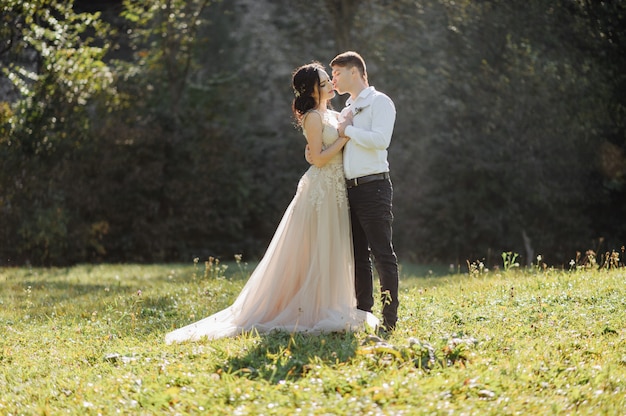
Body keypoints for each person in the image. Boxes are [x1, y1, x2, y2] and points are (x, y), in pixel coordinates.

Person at [165, 62, 378, 344]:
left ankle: (331, 303)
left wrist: (343, 132)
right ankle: (306, 308)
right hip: (321, 190)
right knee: (314, 248)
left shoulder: (334, 114)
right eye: (324, 81)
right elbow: (321, 157)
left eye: (329, 80)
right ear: (312, 89)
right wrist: (343, 136)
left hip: (337, 187)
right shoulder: (313, 117)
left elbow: (323, 152)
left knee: (333, 247)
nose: (330, 84)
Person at [330, 51, 400, 332]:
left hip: (374, 186)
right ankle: (362, 315)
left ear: (354, 72)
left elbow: (381, 141)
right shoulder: (347, 108)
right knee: (357, 254)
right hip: (349, 189)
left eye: (337, 73)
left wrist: (348, 131)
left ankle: (390, 320)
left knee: (382, 253)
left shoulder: (380, 102)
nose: (333, 79)